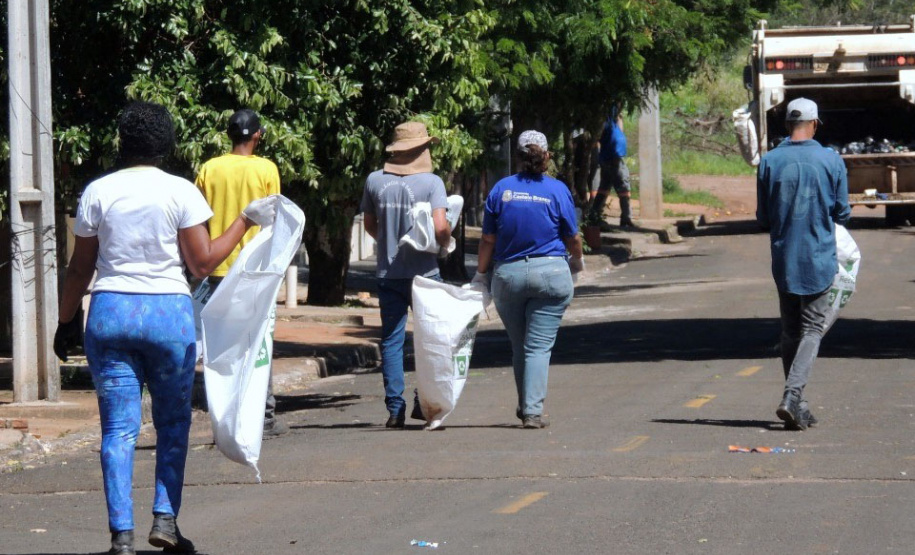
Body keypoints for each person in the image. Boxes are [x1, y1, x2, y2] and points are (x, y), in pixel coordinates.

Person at [53, 101, 277, 555]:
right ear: (167, 144)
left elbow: (80, 268)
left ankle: (121, 536)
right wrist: (245, 220)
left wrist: (65, 320)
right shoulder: (181, 193)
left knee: (118, 430)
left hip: (111, 313)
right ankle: (165, 521)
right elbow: (202, 262)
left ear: (124, 142)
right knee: (172, 424)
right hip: (168, 318)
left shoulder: (98, 191)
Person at [473, 130, 584, 429]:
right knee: (537, 347)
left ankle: (526, 406)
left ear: (518, 157)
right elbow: (572, 237)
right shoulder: (558, 190)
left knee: (519, 345)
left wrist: (480, 275)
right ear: (546, 155)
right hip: (551, 275)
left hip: (508, 277)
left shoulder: (501, 190)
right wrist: (578, 261)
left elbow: (487, 240)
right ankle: (532, 411)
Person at [756, 97, 850, 431]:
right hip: (818, 258)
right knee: (812, 329)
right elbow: (842, 212)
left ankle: (799, 406)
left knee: (790, 331)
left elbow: (763, 218)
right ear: (814, 124)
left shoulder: (768, 162)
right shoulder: (831, 160)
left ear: (786, 125)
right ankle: (792, 394)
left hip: (784, 259)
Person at [195, 108, 285, 437]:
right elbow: (274, 219)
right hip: (256, 269)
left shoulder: (209, 168)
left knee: (222, 345)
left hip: (218, 268)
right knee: (258, 340)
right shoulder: (266, 169)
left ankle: (225, 413)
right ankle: (264, 415)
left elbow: (198, 219)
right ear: (258, 135)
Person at [361, 121, 451, 428]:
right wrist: (445, 241)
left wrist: (389, 241)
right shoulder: (432, 183)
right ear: (420, 150)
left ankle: (395, 410)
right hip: (425, 275)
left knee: (392, 340)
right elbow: (440, 228)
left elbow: (370, 224)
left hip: (389, 273)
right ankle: (427, 404)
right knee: (432, 341)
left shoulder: (374, 180)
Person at [588, 105, 633, 227]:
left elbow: (618, 125)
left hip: (610, 156)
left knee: (604, 187)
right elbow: (598, 134)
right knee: (623, 186)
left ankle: (594, 215)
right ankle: (626, 217)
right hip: (613, 156)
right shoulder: (604, 119)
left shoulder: (613, 118)